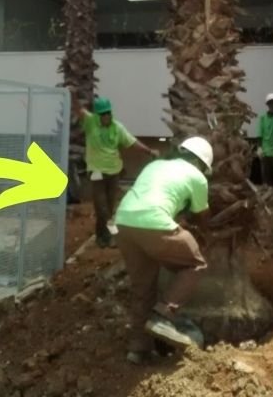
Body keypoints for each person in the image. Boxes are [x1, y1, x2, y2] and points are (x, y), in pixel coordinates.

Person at [113, 136, 215, 364]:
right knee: (196, 264)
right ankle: (163, 316)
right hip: (155, 223)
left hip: (124, 223)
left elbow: (156, 196)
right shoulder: (198, 177)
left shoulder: (155, 165)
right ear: (201, 164)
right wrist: (204, 236)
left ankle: (138, 350)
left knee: (144, 288)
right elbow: (202, 215)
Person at [74, 96, 160, 248]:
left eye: (108, 113)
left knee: (110, 205)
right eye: (102, 114)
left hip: (114, 171)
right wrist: (72, 96)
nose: (106, 116)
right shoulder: (90, 122)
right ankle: (111, 235)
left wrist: (149, 151)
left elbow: (131, 142)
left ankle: (101, 236)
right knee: (102, 206)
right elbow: (78, 109)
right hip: (97, 171)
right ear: (97, 115)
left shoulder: (117, 127)